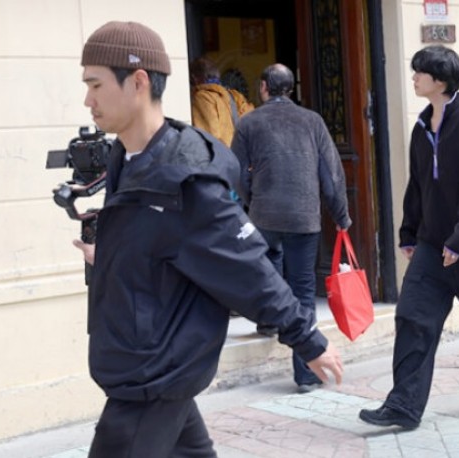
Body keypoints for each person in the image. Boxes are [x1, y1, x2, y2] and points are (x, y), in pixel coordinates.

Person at [73, 21, 342, 457]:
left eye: (96, 85)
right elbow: (159, 245)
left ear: (137, 82)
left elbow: (246, 265)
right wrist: (106, 253)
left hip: (152, 376)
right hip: (147, 356)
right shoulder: (127, 156)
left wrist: (306, 339)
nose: (88, 99)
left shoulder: (185, 178)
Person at [358, 45, 459, 430]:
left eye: (420, 72)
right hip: (432, 248)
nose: (414, 77)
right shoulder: (420, 127)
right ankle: (403, 405)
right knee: (413, 318)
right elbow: (416, 184)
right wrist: (408, 232)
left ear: (441, 80)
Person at [231, 63, 352, 393]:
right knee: (302, 292)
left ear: (264, 88)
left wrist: (252, 199)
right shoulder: (312, 121)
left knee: (267, 276)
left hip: (264, 216)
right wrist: (341, 216)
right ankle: (306, 373)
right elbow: (330, 176)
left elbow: (236, 172)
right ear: (291, 89)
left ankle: (269, 322)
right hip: (303, 218)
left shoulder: (249, 122)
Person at [190, 57, 254, 147]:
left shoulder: (202, 97)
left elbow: (209, 139)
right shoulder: (234, 95)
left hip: (223, 158)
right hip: (239, 156)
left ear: (194, 78)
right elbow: (251, 124)